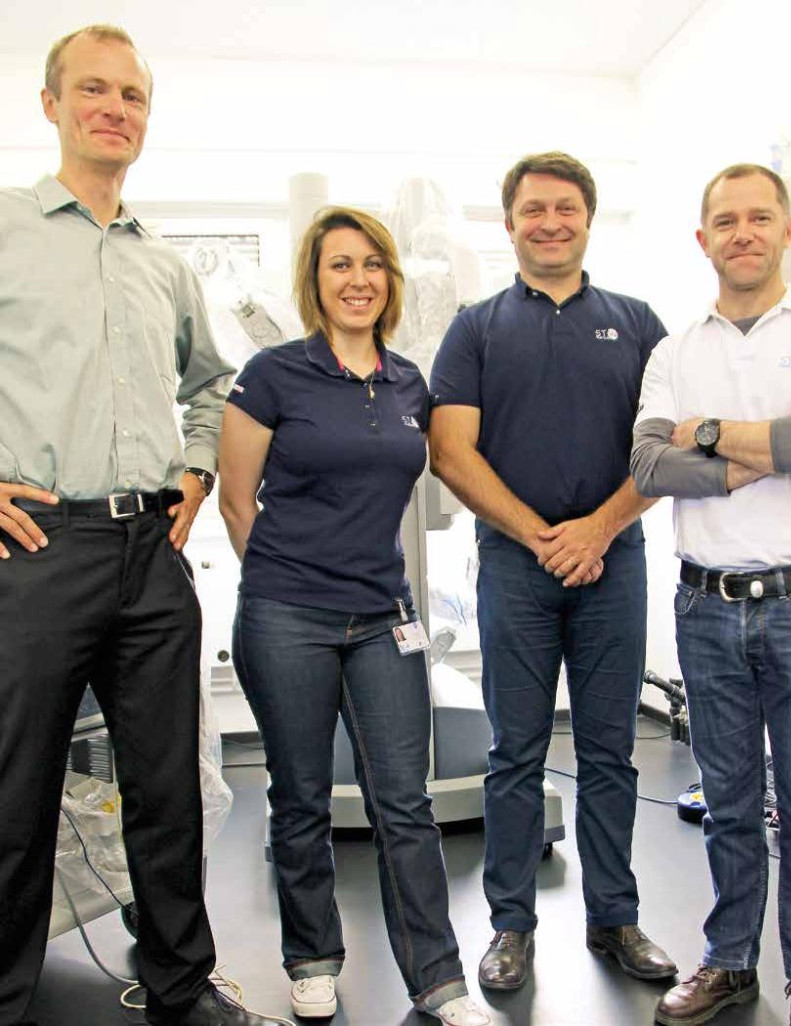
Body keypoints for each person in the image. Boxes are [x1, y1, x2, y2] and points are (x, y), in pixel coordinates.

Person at [0, 24, 275, 1026]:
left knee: (169, 792)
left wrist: (198, 469)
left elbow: (212, 381)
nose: (115, 109)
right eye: (94, 90)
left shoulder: (164, 261)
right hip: (37, 553)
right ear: (51, 105)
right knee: (14, 795)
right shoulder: (8, 227)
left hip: (151, 555)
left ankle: (178, 984)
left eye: (133, 96)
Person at [218, 206, 490, 1026]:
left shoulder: (411, 380)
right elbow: (236, 504)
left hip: (384, 619)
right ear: (315, 279)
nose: (358, 279)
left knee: (401, 802)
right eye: (340, 264)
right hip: (286, 616)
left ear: (391, 281)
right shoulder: (271, 373)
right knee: (298, 796)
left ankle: (439, 983)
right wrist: (286, 586)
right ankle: (312, 959)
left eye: (372, 264)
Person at [428, 151, 677, 993]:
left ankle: (614, 916)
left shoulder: (638, 323)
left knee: (611, 750)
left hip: (615, 563)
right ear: (508, 225)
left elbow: (664, 447)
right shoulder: (475, 327)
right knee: (514, 753)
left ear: (586, 219)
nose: (549, 222)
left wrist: (596, 531)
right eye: (532, 209)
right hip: (514, 566)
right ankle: (510, 926)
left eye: (565, 208)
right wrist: (543, 537)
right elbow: (450, 453)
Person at [631, 163, 791, 1026]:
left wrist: (702, 434)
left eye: (759, 217)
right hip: (704, 605)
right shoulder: (675, 349)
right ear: (702, 239)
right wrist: (768, 448)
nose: (743, 232)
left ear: (787, 229)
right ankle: (730, 961)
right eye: (725, 221)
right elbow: (646, 465)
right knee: (729, 801)